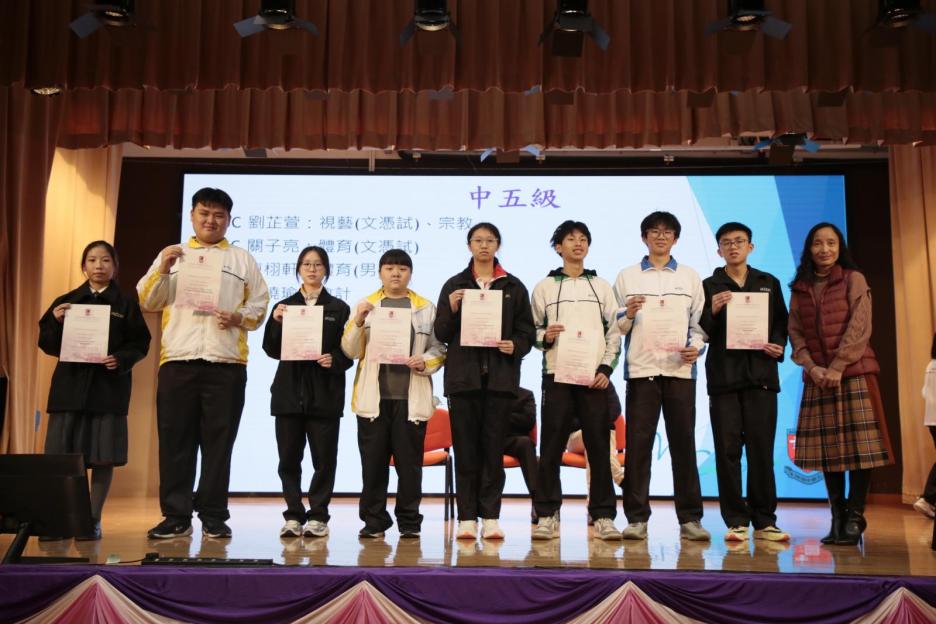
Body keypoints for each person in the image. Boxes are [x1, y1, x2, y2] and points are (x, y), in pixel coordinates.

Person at [137, 187, 269, 540]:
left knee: (218, 445)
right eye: (204, 213)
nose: (211, 220)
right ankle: (176, 516)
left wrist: (238, 317)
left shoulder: (241, 259)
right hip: (178, 361)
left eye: (219, 215)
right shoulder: (172, 255)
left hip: (225, 363)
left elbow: (260, 305)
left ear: (229, 220)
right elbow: (148, 300)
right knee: (175, 443)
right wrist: (163, 269)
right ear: (192, 216)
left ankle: (213, 515)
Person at [38, 241, 151, 541]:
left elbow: (141, 343)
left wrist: (121, 359)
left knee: (103, 457)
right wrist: (55, 321)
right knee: (62, 458)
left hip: (107, 391)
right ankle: (59, 521)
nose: (99, 265)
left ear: (115, 267)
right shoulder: (66, 302)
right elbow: (46, 343)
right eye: (92, 260)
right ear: (83, 266)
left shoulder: (126, 305)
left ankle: (92, 520)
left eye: (105, 260)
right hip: (69, 391)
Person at [788, 222, 892, 546]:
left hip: (853, 373)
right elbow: (795, 333)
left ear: (839, 247)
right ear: (809, 249)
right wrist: (812, 367)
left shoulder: (853, 278)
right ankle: (837, 515)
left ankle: (856, 515)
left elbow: (860, 327)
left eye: (831, 243)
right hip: (818, 378)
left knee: (862, 450)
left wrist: (837, 366)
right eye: (818, 243)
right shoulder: (800, 287)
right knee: (828, 452)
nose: (825, 249)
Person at [613, 211, 709, 542]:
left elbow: (700, 325)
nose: (660, 237)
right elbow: (616, 326)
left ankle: (690, 518)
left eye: (667, 232)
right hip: (642, 372)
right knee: (638, 448)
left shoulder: (689, 276)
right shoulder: (627, 276)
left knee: (683, 446)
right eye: (654, 231)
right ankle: (637, 518)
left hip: (680, 371)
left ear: (676, 239)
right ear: (644, 237)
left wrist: (695, 348)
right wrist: (628, 313)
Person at [434, 223, 535, 540]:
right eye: (478, 240)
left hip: (500, 381)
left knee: (492, 451)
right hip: (463, 381)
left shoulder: (513, 286)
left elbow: (527, 332)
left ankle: (490, 516)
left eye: (490, 240)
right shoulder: (455, 285)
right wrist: (451, 309)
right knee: (465, 451)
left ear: (498, 245)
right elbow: (441, 333)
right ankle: (466, 518)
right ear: (469, 245)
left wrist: (514, 345)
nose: (484, 245)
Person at [342, 249, 445, 539]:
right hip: (374, 400)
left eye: (402, 268)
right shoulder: (366, 305)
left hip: (410, 400)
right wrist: (358, 321)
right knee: (373, 466)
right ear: (380, 273)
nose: (396, 273)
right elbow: (350, 350)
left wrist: (425, 362)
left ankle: (409, 521)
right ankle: (374, 521)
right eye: (389, 268)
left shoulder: (425, 308)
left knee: (409, 467)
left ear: (410, 273)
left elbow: (439, 348)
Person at [531, 220, 622, 541]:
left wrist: (605, 370)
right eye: (571, 239)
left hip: (593, 379)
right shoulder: (544, 286)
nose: (578, 244)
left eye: (583, 239)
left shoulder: (601, 286)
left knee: (599, 448)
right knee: (551, 447)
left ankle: (603, 515)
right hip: (556, 376)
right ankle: (547, 514)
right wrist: (546, 337)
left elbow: (614, 332)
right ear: (559, 247)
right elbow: (532, 331)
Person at [699, 222, 790, 543]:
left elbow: (781, 322)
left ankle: (765, 521)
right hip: (724, 379)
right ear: (719, 250)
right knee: (727, 453)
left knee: (761, 450)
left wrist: (779, 345)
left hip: (761, 377)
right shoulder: (709, 285)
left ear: (750, 247)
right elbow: (699, 331)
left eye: (739, 241)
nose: (733, 246)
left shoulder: (768, 282)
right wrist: (712, 310)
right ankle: (736, 520)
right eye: (727, 242)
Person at [262, 246, 353, 539]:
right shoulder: (284, 306)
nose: (312, 269)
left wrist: (334, 360)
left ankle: (318, 516)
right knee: (288, 460)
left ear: (326, 269)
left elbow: (350, 352)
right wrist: (275, 322)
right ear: (298, 269)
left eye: (318, 264)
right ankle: (292, 515)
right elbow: (271, 349)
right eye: (306, 264)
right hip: (288, 394)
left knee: (324, 461)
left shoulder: (339, 308)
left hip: (325, 394)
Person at [564, 381, 625, 516]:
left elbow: (616, 409)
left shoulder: (605, 383)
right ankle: (620, 478)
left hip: (602, 433)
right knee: (594, 435)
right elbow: (566, 418)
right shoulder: (570, 383)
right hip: (575, 436)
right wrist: (590, 423)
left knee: (594, 447)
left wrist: (597, 423)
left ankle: (592, 507)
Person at [503, 387, 538, 520]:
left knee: (526, 443)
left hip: (514, 440)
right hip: (491, 439)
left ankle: (537, 501)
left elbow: (528, 421)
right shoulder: (489, 394)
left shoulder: (526, 395)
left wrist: (501, 416)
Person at [914, 333, 936, 519]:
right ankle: (928, 497)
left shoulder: (931, 365)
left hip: (932, 420)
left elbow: (924, 392)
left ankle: (928, 498)